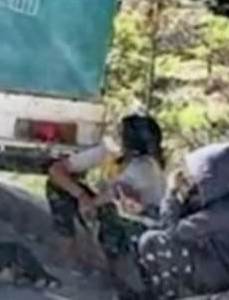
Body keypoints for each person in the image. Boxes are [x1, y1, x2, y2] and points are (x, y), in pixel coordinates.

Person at [133, 142, 229, 299]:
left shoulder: (228, 211)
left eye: (196, 173)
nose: (191, 177)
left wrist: (171, 193)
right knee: (137, 232)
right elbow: (177, 220)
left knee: (152, 241)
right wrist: (141, 210)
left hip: (224, 273)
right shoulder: (222, 196)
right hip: (215, 261)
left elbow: (173, 232)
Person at [46, 114, 167, 272]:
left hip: (138, 224)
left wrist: (89, 203)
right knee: (57, 186)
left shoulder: (145, 167)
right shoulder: (110, 153)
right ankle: (69, 255)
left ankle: (112, 268)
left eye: (121, 133)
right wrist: (81, 195)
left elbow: (116, 192)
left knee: (112, 212)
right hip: (110, 209)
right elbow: (56, 170)